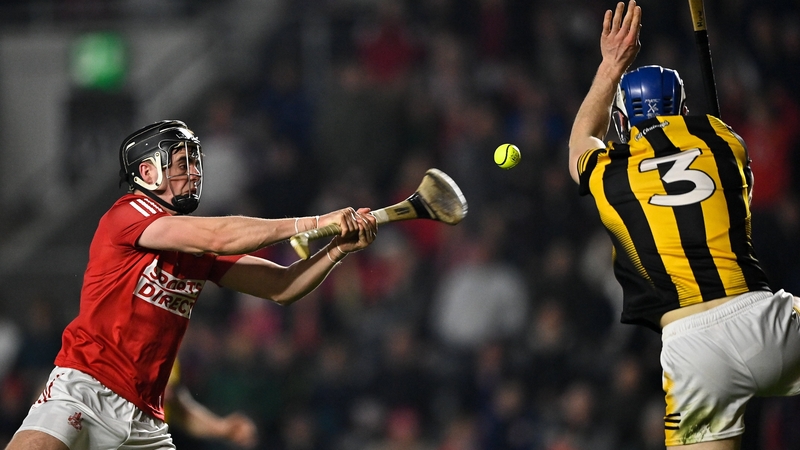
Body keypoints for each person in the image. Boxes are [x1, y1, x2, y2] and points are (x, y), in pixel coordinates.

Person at [5, 119, 378, 450]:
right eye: (184, 163)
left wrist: (337, 249)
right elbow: (216, 237)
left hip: (145, 420)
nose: (196, 172)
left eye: (196, 162)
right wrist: (309, 223)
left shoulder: (193, 246)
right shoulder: (128, 212)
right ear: (148, 173)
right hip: (84, 391)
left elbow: (282, 286)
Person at [568, 2, 800, 449]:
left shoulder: (612, 172)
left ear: (623, 121)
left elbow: (581, 141)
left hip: (693, 351)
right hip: (761, 319)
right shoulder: (724, 140)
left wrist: (611, 66)